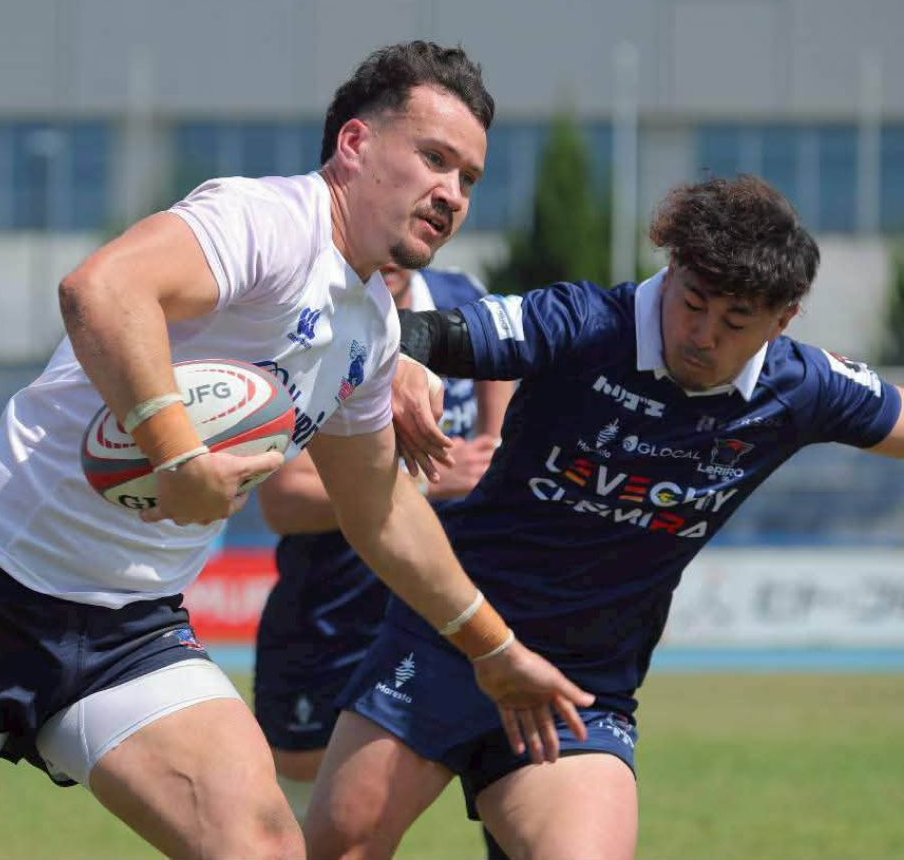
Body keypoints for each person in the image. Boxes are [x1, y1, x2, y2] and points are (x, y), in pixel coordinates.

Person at [0, 40, 592, 860]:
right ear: (356, 144)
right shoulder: (267, 221)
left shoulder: (369, 330)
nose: (451, 193)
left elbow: (380, 512)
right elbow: (100, 287)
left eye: (468, 178)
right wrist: (178, 456)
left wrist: (494, 650)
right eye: (434, 158)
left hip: (131, 629)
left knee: (262, 847)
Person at [306, 173, 904, 860]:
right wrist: (406, 361)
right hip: (449, 640)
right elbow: (426, 330)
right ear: (670, 270)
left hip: (578, 686)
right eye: (693, 303)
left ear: (783, 319)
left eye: (735, 322)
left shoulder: (801, 386)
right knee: (342, 844)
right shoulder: (582, 322)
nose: (702, 336)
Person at [253, 261, 512, 819]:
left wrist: (494, 438)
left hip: (440, 606)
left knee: (512, 770)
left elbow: (500, 361)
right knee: (306, 804)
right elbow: (283, 501)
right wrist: (430, 482)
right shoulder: (309, 321)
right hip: (333, 610)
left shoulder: (459, 293)